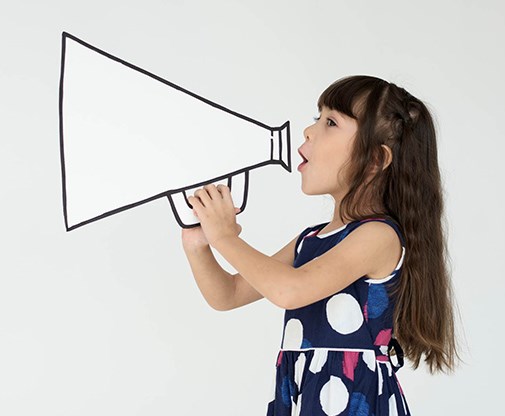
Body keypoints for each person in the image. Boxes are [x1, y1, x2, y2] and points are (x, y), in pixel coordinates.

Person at [181, 75, 458, 415]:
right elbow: (229, 294)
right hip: (309, 396)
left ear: (374, 159)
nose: (308, 131)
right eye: (318, 117)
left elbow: (289, 291)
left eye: (330, 122)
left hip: (351, 398)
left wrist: (225, 237)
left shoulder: (378, 236)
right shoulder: (309, 241)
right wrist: (199, 243)